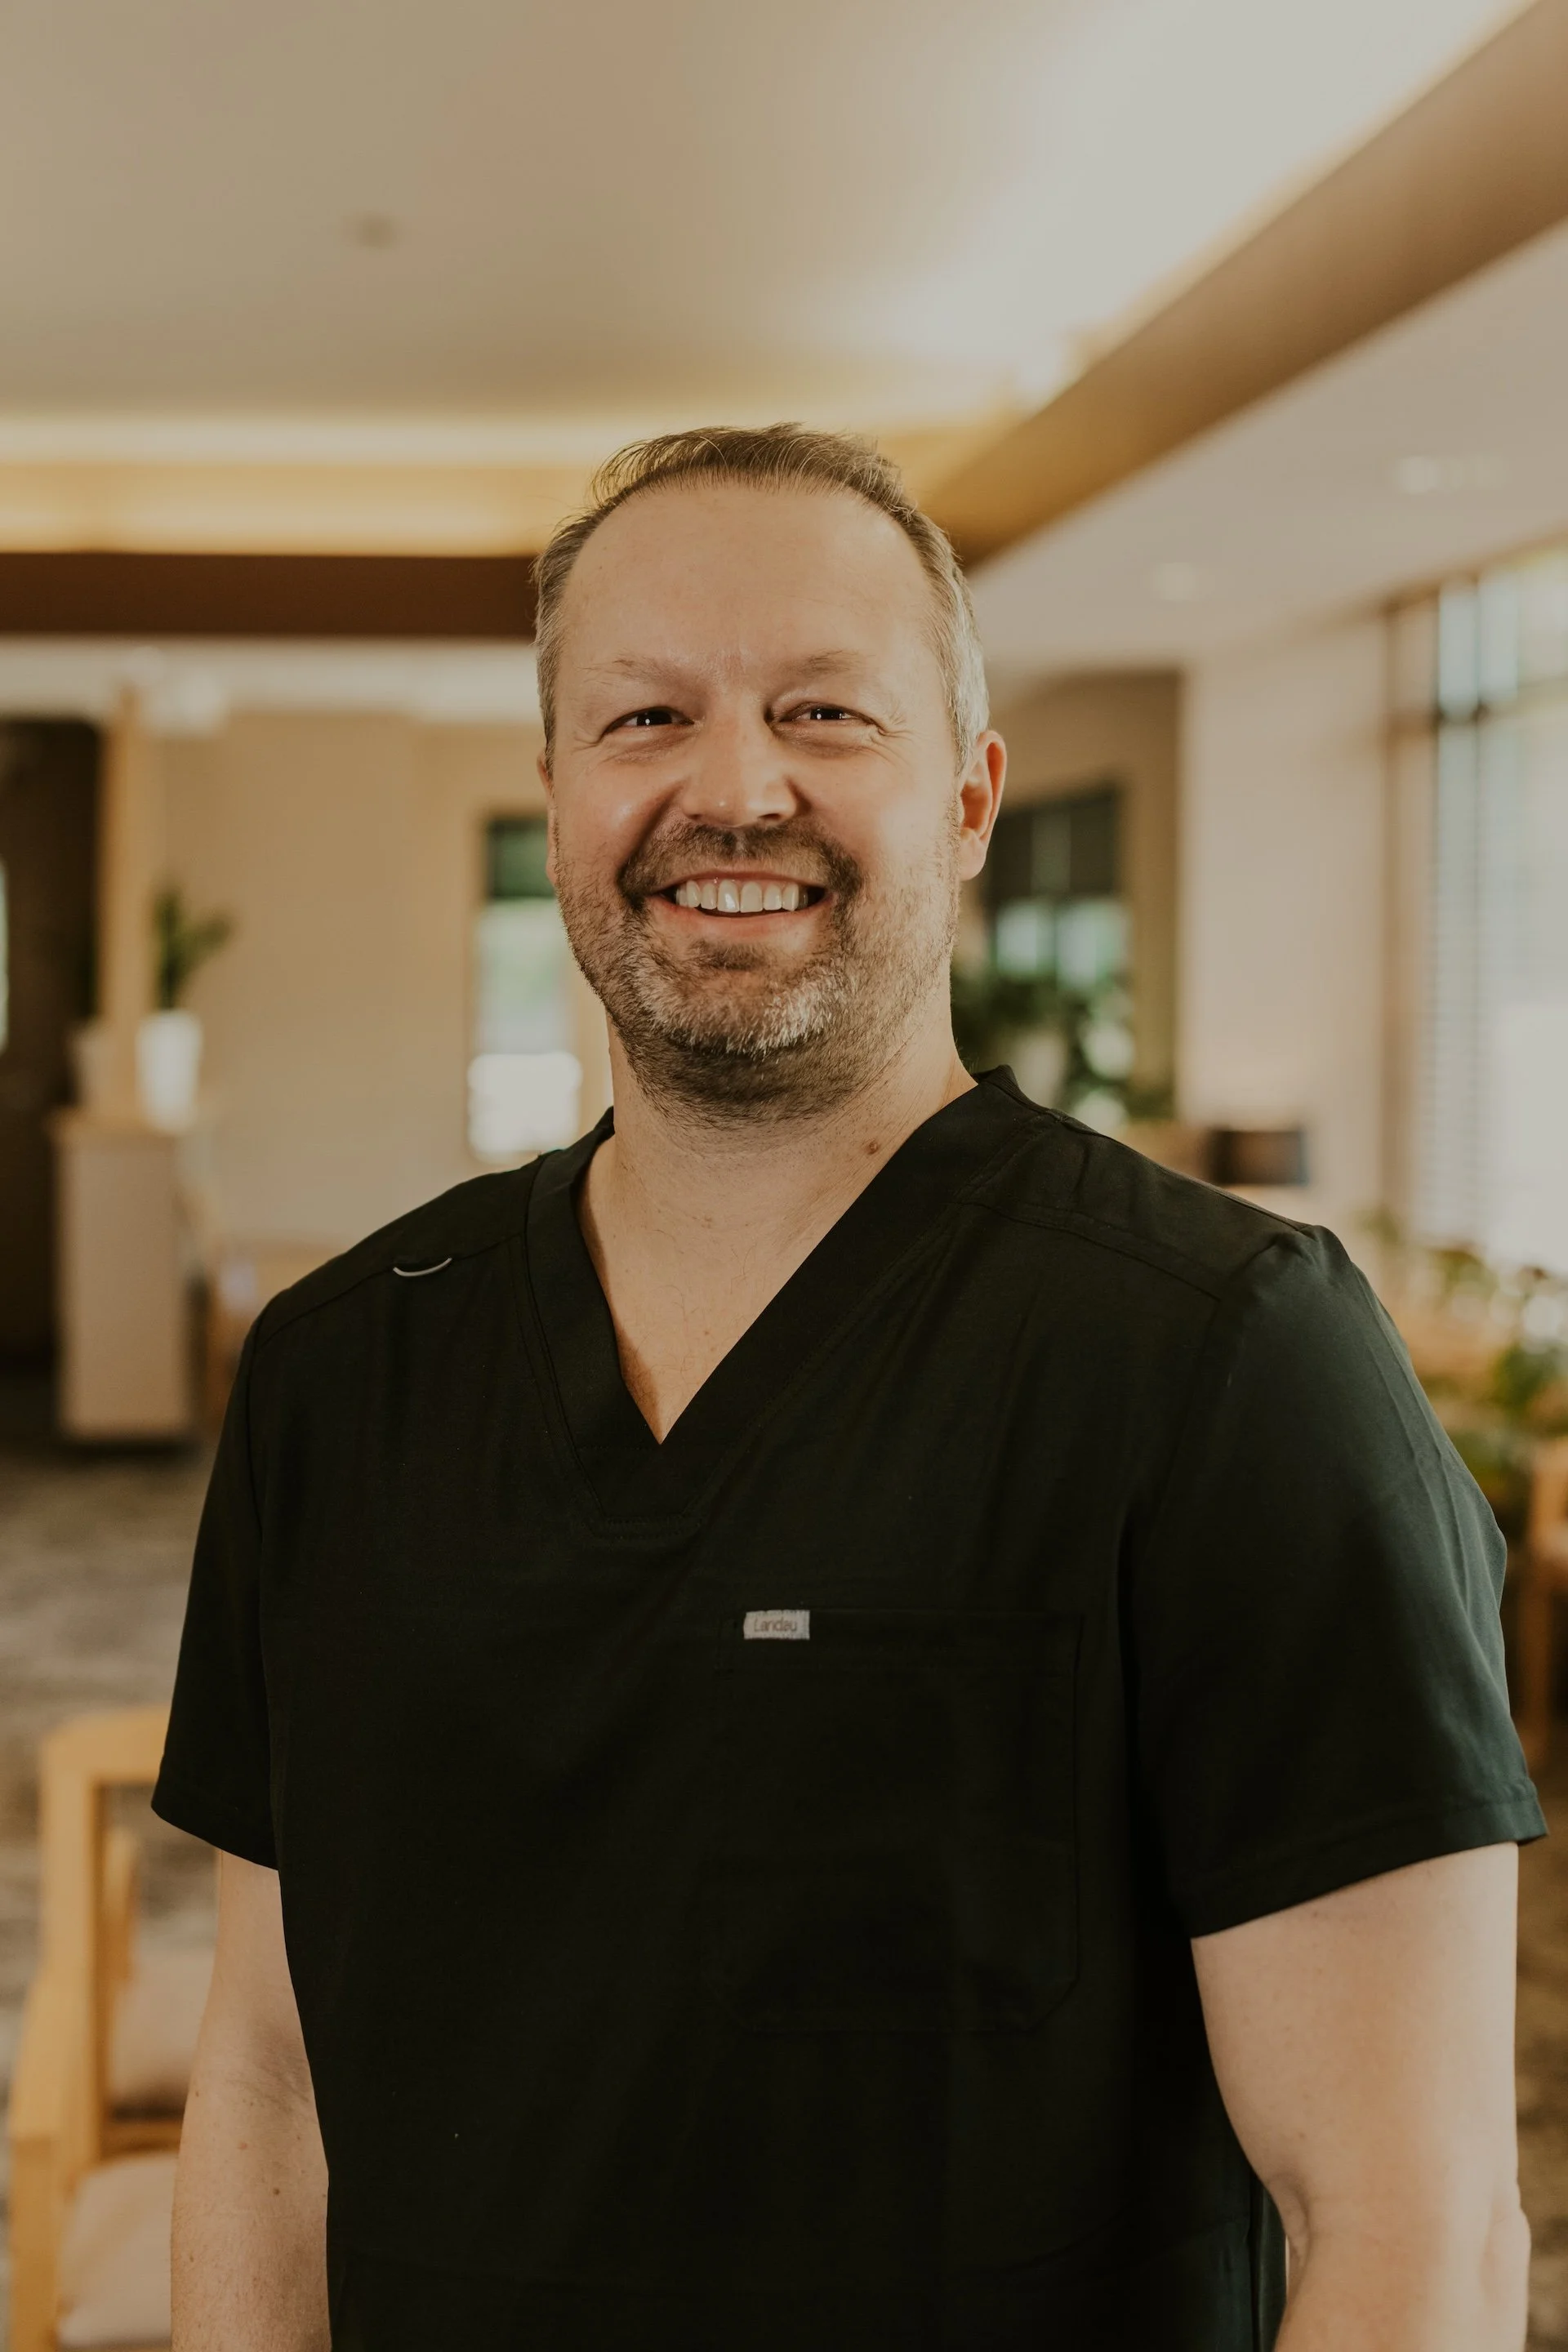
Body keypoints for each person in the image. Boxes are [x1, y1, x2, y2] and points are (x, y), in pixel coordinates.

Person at [155, 425, 1542, 2352]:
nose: (737, 789)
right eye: (646, 717)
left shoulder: (1230, 1362)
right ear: (556, 797)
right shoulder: (340, 1371)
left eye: (825, 710)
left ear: (968, 798)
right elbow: (269, 2085)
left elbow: (1409, 2225)